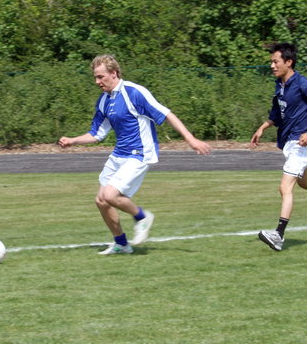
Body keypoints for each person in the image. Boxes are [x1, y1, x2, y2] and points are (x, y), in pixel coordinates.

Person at [58, 54, 211, 255]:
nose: (97, 82)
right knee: (101, 201)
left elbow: (166, 114)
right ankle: (121, 244)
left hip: (139, 153)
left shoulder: (134, 92)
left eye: (100, 77)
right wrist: (73, 140)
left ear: (114, 73)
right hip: (119, 154)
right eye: (95, 77)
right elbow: (97, 134)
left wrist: (191, 140)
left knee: (110, 195)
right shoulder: (104, 101)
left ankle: (142, 217)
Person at [251, 42, 307, 251]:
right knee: (304, 184)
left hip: (301, 144)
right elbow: (277, 112)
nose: (272, 66)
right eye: (271, 62)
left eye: (276, 62)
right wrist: (262, 127)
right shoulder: (280, 85)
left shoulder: (302, 84)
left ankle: (278, 235)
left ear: (289, 62)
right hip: (290, 144)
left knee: (285, 187)